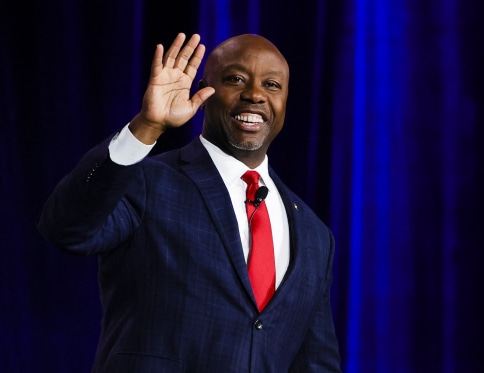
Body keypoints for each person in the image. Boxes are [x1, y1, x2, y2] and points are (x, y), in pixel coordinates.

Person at [38, 32, 341, 372]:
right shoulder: (147, 181)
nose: (255, 94)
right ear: (202, 92)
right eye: (235, 79)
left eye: (272, 85)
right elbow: (66, 228)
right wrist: (146, 127)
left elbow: (316, 363)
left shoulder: (315, 236)